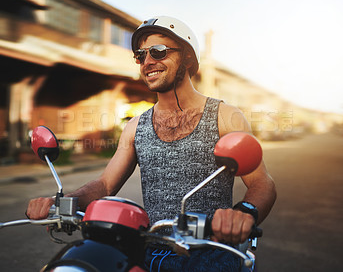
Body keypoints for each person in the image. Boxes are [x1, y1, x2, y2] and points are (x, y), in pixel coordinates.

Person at [27, 16, 276, 271]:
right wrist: (65, 201)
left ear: (188, 58)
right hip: (149, 251)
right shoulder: (136, 126)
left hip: (212, 252)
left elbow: (261, 182)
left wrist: (244, 212)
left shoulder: (225, 116)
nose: (147, 62)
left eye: (158, 52)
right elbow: (104, 184)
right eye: (140, 55)